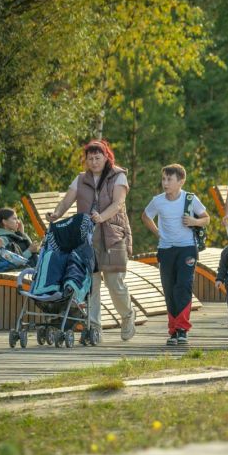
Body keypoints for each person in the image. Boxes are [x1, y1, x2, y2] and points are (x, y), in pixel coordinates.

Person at [47, 139, 136, 342]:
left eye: (98, 158)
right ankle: (94, 328)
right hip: (87, 239)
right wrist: (56, 214)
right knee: (91, 285)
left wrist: (101, 217)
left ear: (106, 157)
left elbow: (119, 202)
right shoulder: (81, 179)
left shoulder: (118, 176)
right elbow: (67, 200)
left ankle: (128, 315)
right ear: (86, 161)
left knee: (115, 283)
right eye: (90, 159)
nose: (94, 162)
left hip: (113, 236)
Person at [142, 163, 210, 346]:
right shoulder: (158, 201)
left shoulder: (190, 198)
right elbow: (146, 216)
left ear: (181, 181)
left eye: (169, 179)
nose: (165, 183)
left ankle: (182, 330)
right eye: (163, 179)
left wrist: (194, 221)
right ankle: (173, 331)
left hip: (187, 248)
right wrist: (157, 233)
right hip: (166, 249)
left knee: (184, 286)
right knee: (169, 289)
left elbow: (207, 219)